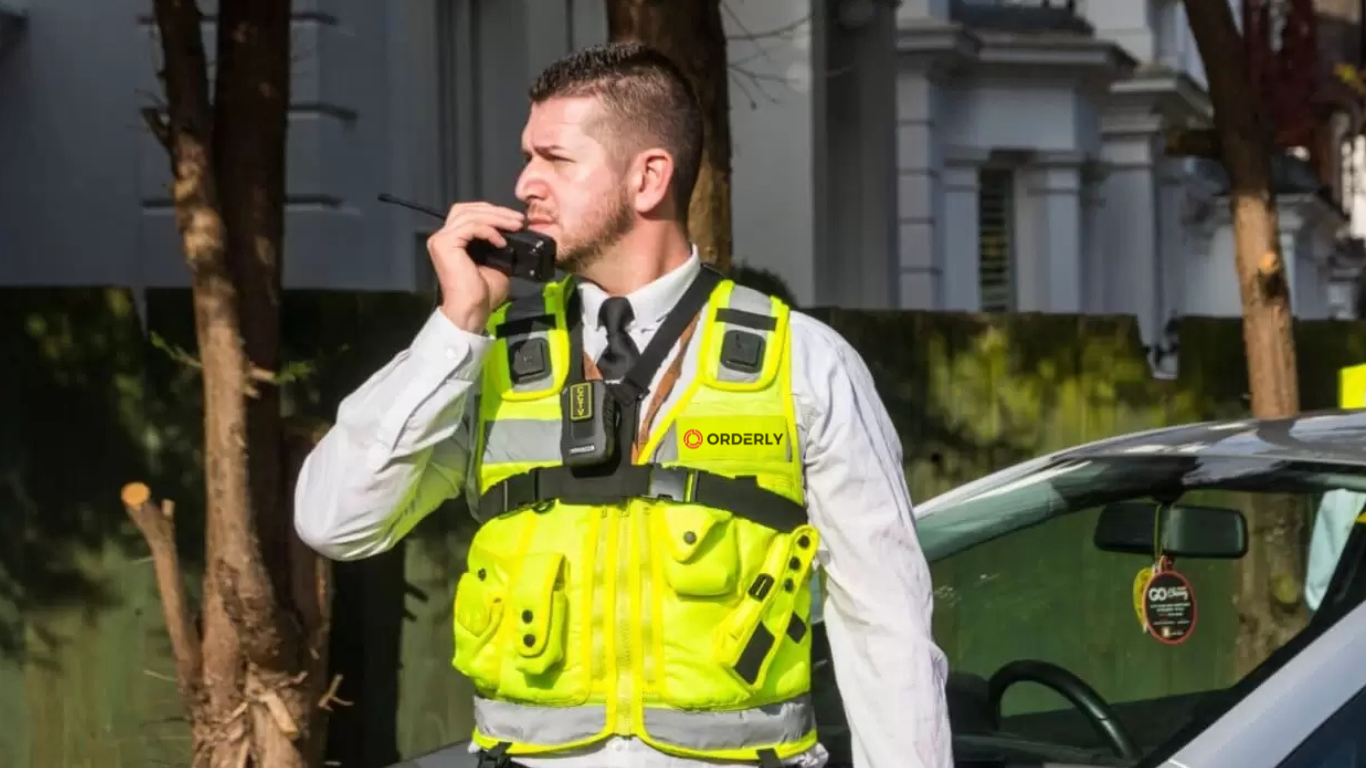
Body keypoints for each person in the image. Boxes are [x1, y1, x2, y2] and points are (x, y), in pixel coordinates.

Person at [293, 41, 952, 768]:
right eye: (526, 156)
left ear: (648, 179)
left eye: (555, 159)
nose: (523, 183)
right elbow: (334, 524)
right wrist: (455, 330)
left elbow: (886, 626)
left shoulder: (806, 363)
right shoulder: (481, 362)